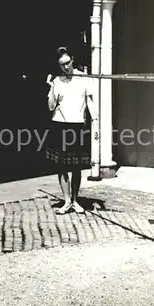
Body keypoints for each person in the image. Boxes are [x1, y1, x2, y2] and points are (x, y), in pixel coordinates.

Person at [45, 47, 98, 215]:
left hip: (77, 125)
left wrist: (96, 123)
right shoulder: (57, 81)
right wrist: (51, 87)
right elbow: (51, 107)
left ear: (73, 60)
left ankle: (75, 201)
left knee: (76, 166)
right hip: (59, 124)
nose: (65, 67)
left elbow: (90, 102)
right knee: (62, 166)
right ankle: (66, 201)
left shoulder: (83, 78)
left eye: (67, 63)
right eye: (62, 64)